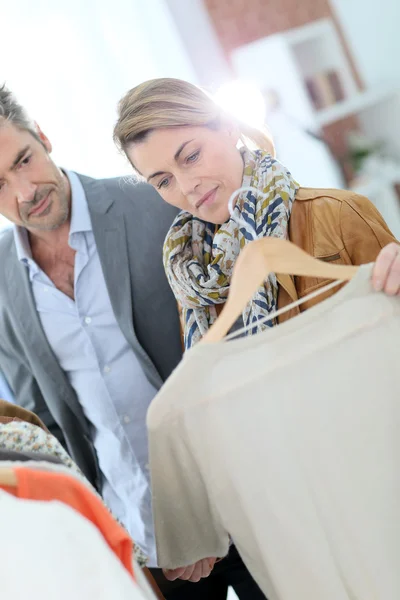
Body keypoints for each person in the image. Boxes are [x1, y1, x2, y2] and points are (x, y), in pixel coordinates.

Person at [0, 84, 264, 600]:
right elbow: (47, 429)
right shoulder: (2, 285)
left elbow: (242, 340)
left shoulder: (155, 200)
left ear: (44, 137)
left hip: (241, 504)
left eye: (24, 160)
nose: (24, 191)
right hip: (144, 544)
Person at [114, 77, 400, 353]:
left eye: (191, 156)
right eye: (164, 181)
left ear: (227, 128)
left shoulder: (338, 215)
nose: (187, 187)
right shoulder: (189, 273)